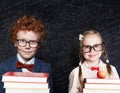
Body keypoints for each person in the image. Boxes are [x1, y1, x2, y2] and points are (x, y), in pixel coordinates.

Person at [0, 15, 54, 93]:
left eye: (33, 42)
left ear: (38, 44)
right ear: (15, 42)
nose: (27, 46)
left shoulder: (45, 68)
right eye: (22, 41)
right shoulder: (3, 67)